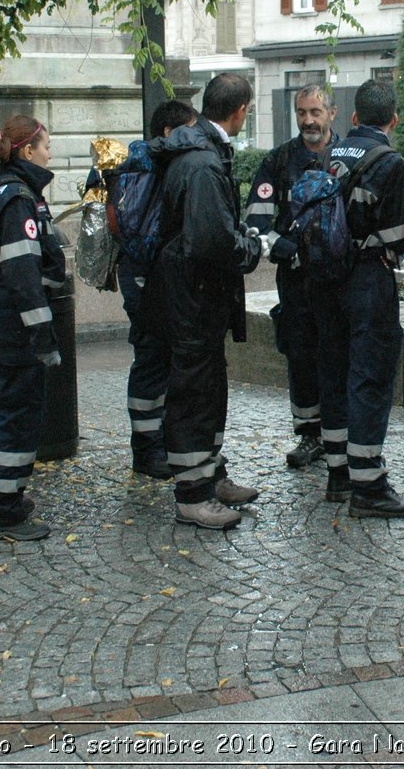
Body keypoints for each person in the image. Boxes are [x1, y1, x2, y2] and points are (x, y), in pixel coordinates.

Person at [147, 74, 265, 530]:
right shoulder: (202, 163)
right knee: (194, 391)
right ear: (240, 111)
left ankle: (211, 475)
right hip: (193, 296)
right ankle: (193, 494)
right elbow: (213, 241)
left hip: (194, 294)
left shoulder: (197, 150)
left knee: (208, 386)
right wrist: (253, 249)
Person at [316, 80, 404, 518]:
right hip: (368, 281)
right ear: (393, 121)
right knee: (370, 377)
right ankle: (369, 485)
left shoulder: (328, 155)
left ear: (354, 118)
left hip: (325, 280)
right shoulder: (392, 163)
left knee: (336, 371)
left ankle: (339, 474)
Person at [0, 115, 69, 541]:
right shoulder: (17, 199)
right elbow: (23, 275)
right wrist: (42, 335)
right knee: (20, 414)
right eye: (46, 146)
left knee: (10, 408)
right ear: (27, 151)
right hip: (13, 321)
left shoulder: (2, 189)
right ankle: (4, 513)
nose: (50, 153)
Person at [245, 84, 339, 470]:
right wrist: (274, 241)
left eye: (315, 111)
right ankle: (309, 434)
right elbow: (255, 219)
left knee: (336, 355)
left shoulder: (347, 157)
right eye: (302, 112)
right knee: (300, 356)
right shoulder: (279, 160)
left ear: (331, 112)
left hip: (336, 281)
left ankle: (339, 433)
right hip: (297, 283)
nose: (308, 120)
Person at [115, 99, 198, 480]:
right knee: (151, 358)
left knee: (157, 357)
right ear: (168, 132)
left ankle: (155, 443)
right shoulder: (153, 165)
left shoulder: (139, 166)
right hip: (145, 274)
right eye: (188, 128)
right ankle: (146, 450)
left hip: (140, 272)